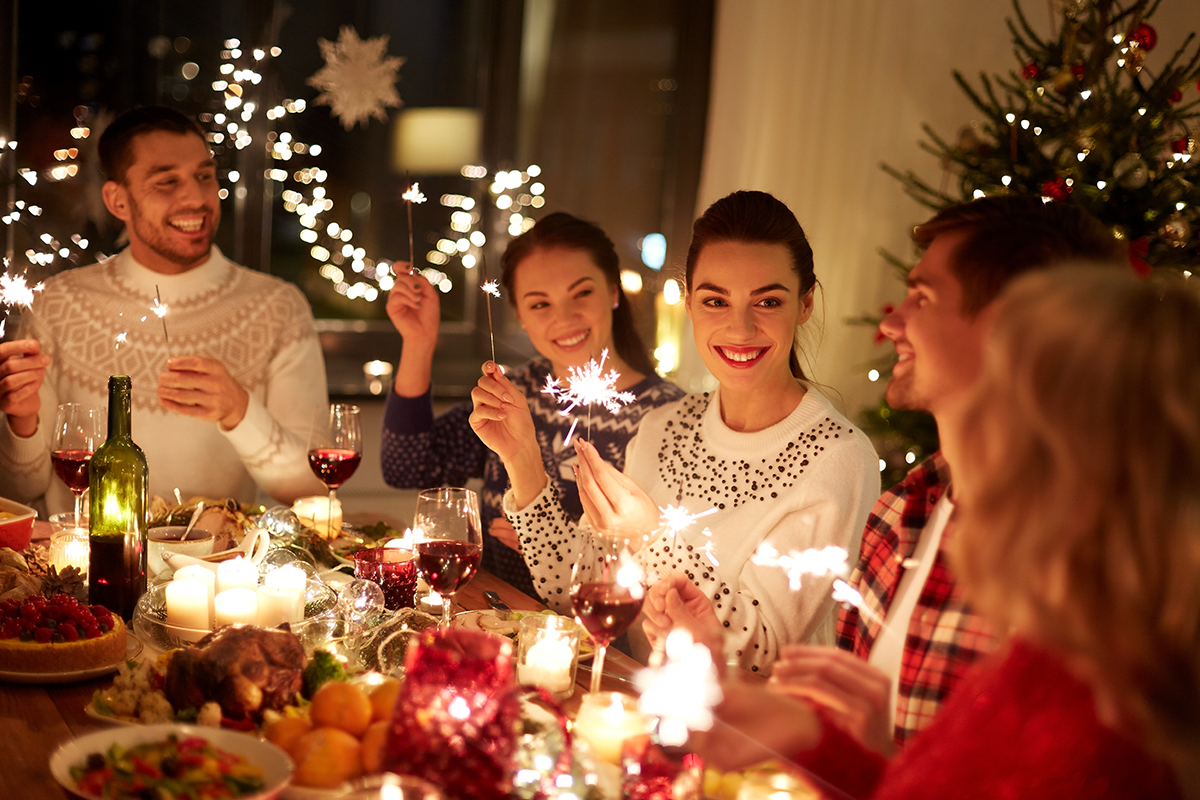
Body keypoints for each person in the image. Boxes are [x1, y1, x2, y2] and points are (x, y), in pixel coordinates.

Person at [691, 268, 1193, 799]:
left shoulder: (1087, 715)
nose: (967, 432)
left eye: (997, 398)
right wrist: (815, 739)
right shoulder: (1054, 647)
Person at [471, 190, 880, 673]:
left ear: (805, 303)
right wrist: (523, 462)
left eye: (767, 300)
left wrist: (650, 537)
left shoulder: (837, 456)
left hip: (741, 734)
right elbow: (575, 587)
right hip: (641, 707)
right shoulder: (667, 423)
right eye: (715, 300)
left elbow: (760, 657)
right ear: (688, 303)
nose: (740, 328)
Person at [0, 106, 327, 509]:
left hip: (217, 566)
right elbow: (19, 493)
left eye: (204, 176)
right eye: (166, 181)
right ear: (118, 200)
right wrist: (22, 422)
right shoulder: (57, 303)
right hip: (81, 568)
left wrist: (240, 412)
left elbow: (313, 487)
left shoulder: (277, 307)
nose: (196, 197)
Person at [379, 212, 683, 598]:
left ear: (613, 292)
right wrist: (419, 342)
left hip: (593, 639)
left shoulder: (669, 417)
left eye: (582, 293)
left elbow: (667, 565)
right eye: (540, 304)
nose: (565, 317)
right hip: (493, 618)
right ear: (520, 316)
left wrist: (550, 542)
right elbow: (407, 467)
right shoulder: (513, 392)